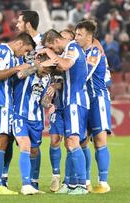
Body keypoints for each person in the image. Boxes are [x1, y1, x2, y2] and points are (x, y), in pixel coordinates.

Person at [0, 32, 36, 195]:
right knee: (2, 141)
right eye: (26, 50)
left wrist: (31, 68)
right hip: (1, 102)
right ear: (19, 44)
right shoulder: (4, 51)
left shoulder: (7, 53)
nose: (25, 55)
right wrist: (17, 67)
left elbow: (13, 76)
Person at [40, 29, 89, 195]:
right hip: (69, 103)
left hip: (76, 102)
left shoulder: (73, 47)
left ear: (55, 42)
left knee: (74, 142)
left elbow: (65, 64)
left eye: (50, 47)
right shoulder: (69, 50)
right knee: (69, 143)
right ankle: (70, 184)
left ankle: (82, 185)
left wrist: (47, 52)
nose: (52, 51)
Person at [74, 20, 111, 193]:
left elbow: (85, 74)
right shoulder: (78, 51)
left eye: (80, 34)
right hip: (84, 100)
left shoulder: (94, 51)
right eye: (76, 34)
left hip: (98, 99)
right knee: (82, 141)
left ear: (89, 36)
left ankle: (103, 182)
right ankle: (86, 181)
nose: (76, 37)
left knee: (99, 140)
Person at [13, 53, 54, 195]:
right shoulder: (28, 72)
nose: (46, 72)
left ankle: (33, 182)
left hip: (36, 119)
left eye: (49, 70)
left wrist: (48, 101)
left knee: (35, 150)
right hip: (19, 115)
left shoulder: (47, 78)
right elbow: (19, 75)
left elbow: (42, 102)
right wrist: (37, 66)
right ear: (38, 63)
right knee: (25, 145)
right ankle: (26, 185)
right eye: (45, 69)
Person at [15, 10, 43, 189]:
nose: (16, 25)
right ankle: (1, 180)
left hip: (35, 102)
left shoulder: (43, 44)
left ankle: (34, 181)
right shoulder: (19, 45)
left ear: (28, 24)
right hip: (17, 101)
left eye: (19, 22)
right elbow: (18, 72)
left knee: (34, 146)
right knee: (10, 141)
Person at [48, 29, 74, 192]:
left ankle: (71, 179)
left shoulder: (73, 58)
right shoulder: (56, 58)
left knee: (71, 143)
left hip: (71, 106)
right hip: (58, 107)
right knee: (54, 140)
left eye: (66, 38)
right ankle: (55, 176)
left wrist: (58, 85)